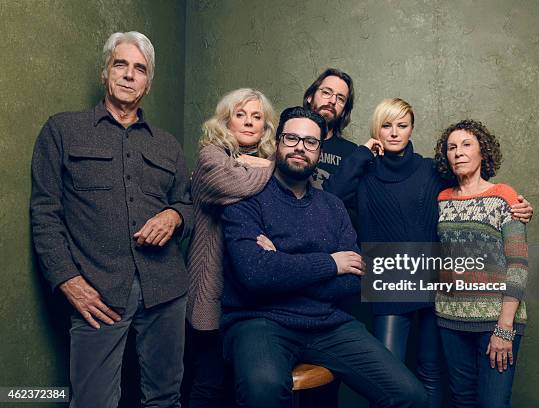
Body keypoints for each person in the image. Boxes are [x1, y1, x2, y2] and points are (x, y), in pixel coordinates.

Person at [324, 98, 533, 407]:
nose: (394, 133)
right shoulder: (365, 173)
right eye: (386, 125)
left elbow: (477, 190)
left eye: (402, 125)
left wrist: (519, 206)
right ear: (376, 130)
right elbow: (331, 196)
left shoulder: (430, 170)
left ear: (411, 129)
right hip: (389, 283)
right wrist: (363, 152)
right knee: (387, 375)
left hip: (434, 285)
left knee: (432, 372)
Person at [220, 106, 427, 408]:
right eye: (291, 138)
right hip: (259, 320)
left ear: (319, 152)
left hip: (328, 324)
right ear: (276, 143)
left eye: (310, 142)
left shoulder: (333, 206)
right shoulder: (245, 198)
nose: (300, 147)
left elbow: (354, 281)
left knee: (410, 395)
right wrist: (330, 263)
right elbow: (255, 274)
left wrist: (283, 263)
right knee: (263, 389)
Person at [30, 32, 192, 407]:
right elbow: (44, 213)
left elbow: (188, 205)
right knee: (92, 400)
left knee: (166, 398)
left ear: (148, 83)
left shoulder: (167, 144)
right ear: (105, 73)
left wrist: (173, 215)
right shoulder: (63, 130)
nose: (129, 75)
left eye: (140, 69)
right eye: (120, 64)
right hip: (97, 289)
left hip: (166, 289)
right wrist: (68, 280)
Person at [186, 88, 277, 407]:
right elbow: (234, 184)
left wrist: (256, 162)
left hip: (249, 288)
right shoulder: (210, 155)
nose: (249, 122)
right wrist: (273, 165)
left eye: (257, 117)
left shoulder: (264, 163)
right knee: (209, 381)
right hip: (213, 283)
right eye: (241, 115)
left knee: (248, 384)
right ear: (226, 120)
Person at [433, 119, 528, 408]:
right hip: (450, 318)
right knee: (462, 401)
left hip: (495, 321)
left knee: (493, 403)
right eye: (451, 147)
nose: (458, 152)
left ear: (482, 152)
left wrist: (504, 327)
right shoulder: (442, 199)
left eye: (466, 144)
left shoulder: (505, 197)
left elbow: (518, 264)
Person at [303, 68, 358, 188]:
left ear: (344, 111)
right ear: (310, 97)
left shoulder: (352, 153)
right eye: (326, 92)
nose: (332, 101)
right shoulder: (288, 141)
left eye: (340, 99)